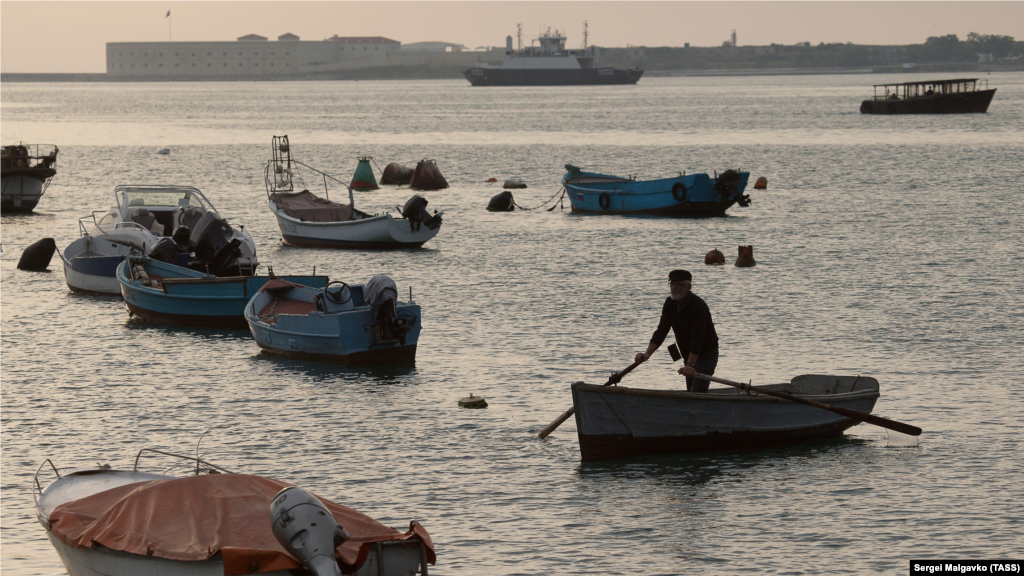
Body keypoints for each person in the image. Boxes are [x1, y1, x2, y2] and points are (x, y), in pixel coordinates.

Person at [634, 270, 719, 392]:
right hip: (687, 352)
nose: (673, 288)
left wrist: (691, 365)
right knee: (690, 390)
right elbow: (661, 331)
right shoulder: (670, 303)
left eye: (678, 284)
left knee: (698, 390)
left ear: (689, 287)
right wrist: (647, 354)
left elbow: (697, 338)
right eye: (671, 284)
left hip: (706, 353)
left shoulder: (698, 306)